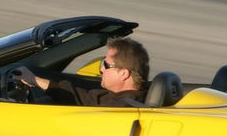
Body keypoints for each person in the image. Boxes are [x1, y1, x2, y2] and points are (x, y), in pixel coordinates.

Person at [17, 37, 150, 107]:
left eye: (106, 64)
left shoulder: (120, 108)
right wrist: (34, 80)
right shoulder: (119, 97)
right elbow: (83, 97)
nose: (101, 69)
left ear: (123, 73)